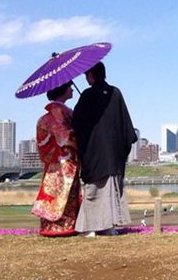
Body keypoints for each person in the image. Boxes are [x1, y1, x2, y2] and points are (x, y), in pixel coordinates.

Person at [72, 61, 137, 236]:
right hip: (115, 154)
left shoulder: (87, 95)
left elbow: (77, 123)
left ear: (91, 75)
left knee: (94, 190)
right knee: (112, 191)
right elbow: (127, 128)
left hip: (95, 153)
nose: (86, 78)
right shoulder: (115, 93)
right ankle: (109, 227)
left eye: (86, 75)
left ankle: (89, 228)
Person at [31, 82, 82, 237]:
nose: (72, 88)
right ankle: (63, 226)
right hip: (64, 162)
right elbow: (66, 138)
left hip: (54, 162)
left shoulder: (46, 117)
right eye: (69, 86)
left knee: (52, 193)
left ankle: (52, 225)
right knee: (64, 193)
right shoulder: (60, 113)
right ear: (63, 90)